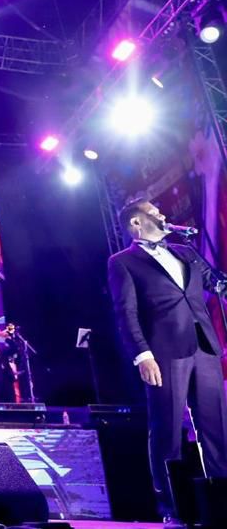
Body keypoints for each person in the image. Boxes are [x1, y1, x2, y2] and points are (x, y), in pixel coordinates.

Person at [108, 199, 227, 524]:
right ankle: (171, 508)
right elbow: (126, 313)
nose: (162, 214)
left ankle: (222, 500)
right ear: (136, 223)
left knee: (215, 426)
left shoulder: (185, 252)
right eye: (153, 212)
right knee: (167, 430)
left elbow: (215, 283)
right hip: (163, 352)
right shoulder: (123, 262)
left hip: (204, 346)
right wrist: (142, 355)